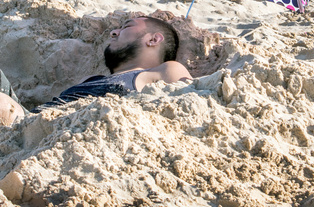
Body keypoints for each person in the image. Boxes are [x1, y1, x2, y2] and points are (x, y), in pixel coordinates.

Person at [0, 16, 192, 127]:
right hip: (28, 123)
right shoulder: (92, 79)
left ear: (154, 40)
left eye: (127, 26)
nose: (114, 32)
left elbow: (192, 106)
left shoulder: (168, 70)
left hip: (39, 131)